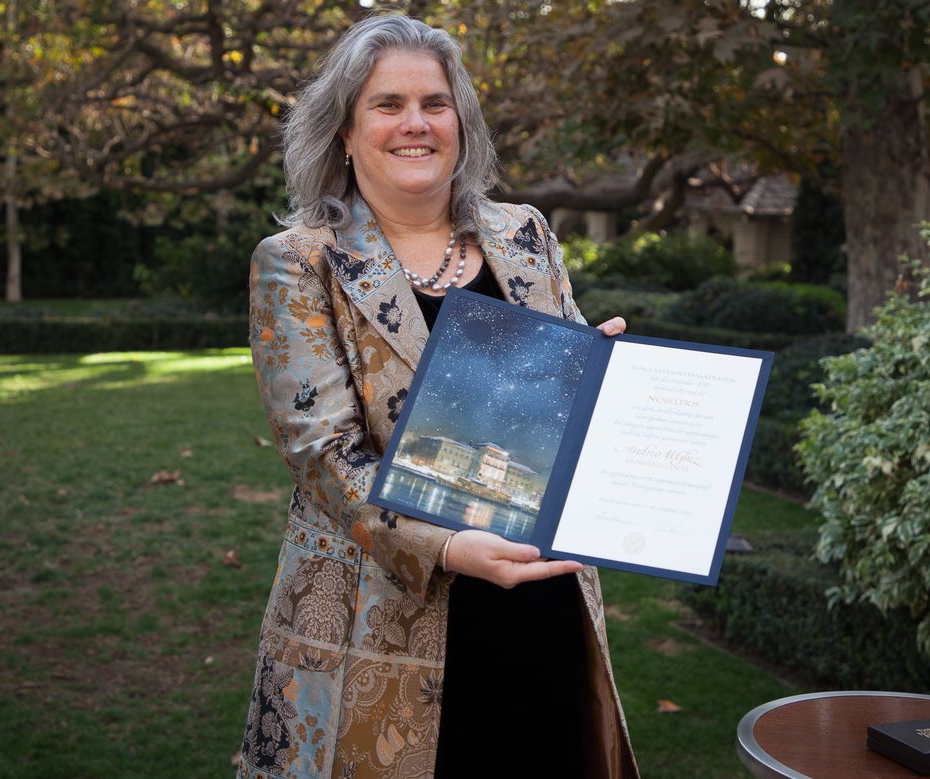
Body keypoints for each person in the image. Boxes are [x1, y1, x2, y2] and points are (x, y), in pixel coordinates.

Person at [236, 15, 640, 779]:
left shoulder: (524, 234)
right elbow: (323, 456)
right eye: (387, 104)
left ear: (462, 122)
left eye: (436, 102)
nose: (415, 123)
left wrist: (605, 377)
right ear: (346, 133)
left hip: (539, 598)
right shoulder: (298, 263)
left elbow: (566, 405)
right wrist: (450, 548)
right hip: (379, 620)